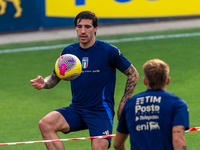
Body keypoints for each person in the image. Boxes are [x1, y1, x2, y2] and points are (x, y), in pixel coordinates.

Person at [30, 11, 139, 150]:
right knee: (45, 124)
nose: (82, 31)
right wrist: (44, 83)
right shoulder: (68, 53)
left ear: (95, 29)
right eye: (79, 26)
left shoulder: (108, 51)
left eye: (87, 27)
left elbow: (133, 74)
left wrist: (124, 102)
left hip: (100, 112)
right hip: (77, 109)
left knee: (98, 148)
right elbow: (54, 77)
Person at [113, 59, 189, 150]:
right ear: (167, 81)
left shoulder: (130, 104)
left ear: (145, 81)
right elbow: (178, 140)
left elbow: (117, 144)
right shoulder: (177, 104)